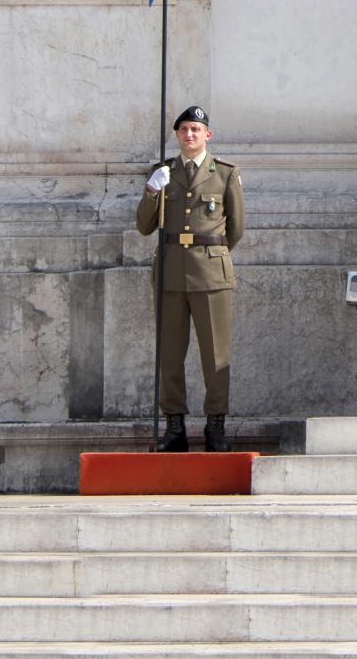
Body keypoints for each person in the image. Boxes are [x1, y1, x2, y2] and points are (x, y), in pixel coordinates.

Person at [136, 105, 244, 452]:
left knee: (215, 355)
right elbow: (144, 226)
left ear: (207, 135)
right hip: (171, 272)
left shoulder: (224, 173)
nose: (189, 135)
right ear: (177, 135)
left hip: (211, 272)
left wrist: (212, 255)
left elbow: (236, 228)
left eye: (196, 129)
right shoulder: (163, 172)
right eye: (183, 129)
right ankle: (175, 427)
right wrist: (152, 192)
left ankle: (215, 426)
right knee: (169, 355)